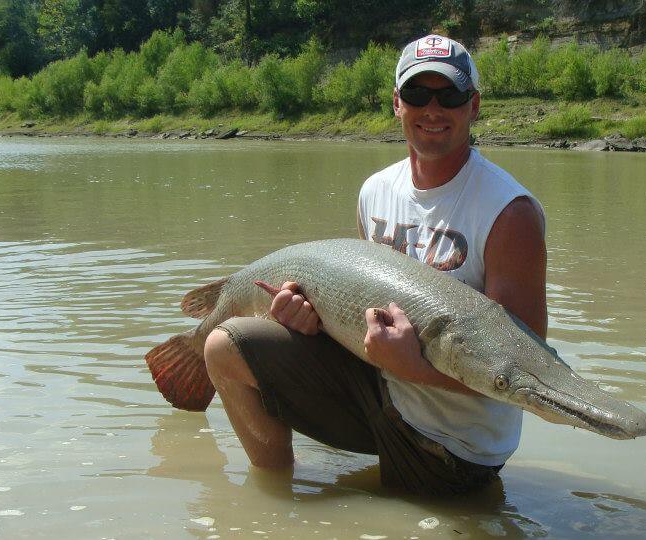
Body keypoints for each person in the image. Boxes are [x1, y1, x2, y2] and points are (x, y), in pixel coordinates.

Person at [202, 34, 547, 495]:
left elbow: (526, 373)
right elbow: (364, 320)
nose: (432, 109)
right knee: (223, 347)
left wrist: (413, 367)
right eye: (417, 94)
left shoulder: (509, 213)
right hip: (378, 394)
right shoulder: (375, 191)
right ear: (396, 103)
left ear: (475, 105)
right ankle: (272, 499)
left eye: (451, 95)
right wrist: (307, 320)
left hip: (454, 446)